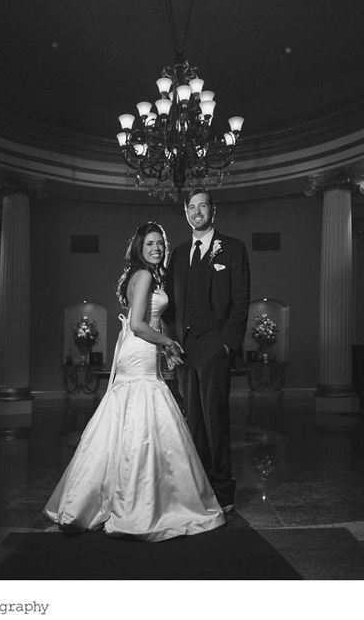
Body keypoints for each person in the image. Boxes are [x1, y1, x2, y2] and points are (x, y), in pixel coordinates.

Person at [44, 222, 225, 541]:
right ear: (139, 249)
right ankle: (137, 502)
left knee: (128, 419)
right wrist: (168, 343)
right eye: (150, 244)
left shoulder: (145, 276)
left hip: (140, 349)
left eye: (160, 244)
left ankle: (112, 495)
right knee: (143, 415)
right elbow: (140, 325)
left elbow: (144, 324)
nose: (157, 248)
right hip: (139, 349)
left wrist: (163, 345)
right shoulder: (143, 276)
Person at [167, 189, 250, 513]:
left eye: (203, 206)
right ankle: (199, 486)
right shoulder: (178, 252)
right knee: (194, 423)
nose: (197, 212)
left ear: (213, 211)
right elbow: (171, 305)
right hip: (186, 350)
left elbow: (240, 302)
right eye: (192, 207)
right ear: (186, 212)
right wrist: (172, 341)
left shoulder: (233, 249)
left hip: (215, 346)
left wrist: (226, 343)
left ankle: (222, 490)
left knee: (216, 420)